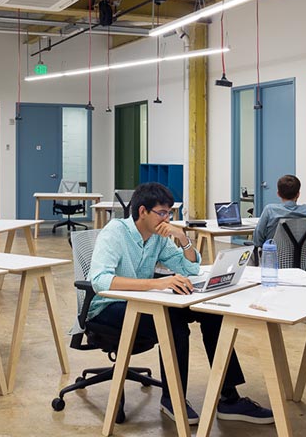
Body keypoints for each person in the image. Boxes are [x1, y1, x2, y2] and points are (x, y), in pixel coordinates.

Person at [88, 182, 273, 426]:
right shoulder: (115, 232)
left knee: (212, 314)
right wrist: (158, 284)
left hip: (144, 303)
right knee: (172, 320)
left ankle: (230, 399)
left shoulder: (158, 236)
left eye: (170, 213)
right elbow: (100, 281)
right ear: (143, 211)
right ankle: (173, 398)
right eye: (162, 213)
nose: (167, 219)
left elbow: (190, 268)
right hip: (108, 308)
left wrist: (182, 238)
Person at [252, 174, 306, 248]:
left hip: (273, 258)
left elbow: (257, 240)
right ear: (298, 194)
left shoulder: (270, 210)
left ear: (278, 194)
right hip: (302, 258)